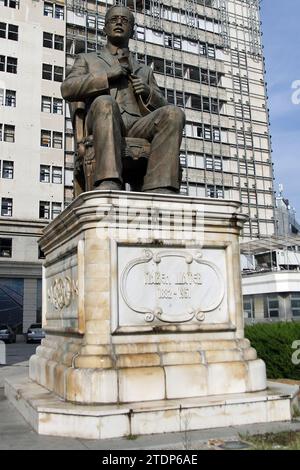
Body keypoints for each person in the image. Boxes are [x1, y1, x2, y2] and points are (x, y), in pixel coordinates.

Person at [61, 5, 185, 193]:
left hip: (138, 126)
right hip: (104, 119)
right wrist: (107, 76)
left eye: (125, 20)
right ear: (104, 28)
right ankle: (108, 181)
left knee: (174, 113)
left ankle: (160, 186)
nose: (119, 22)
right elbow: (67, 88)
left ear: (133, 31)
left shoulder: (144, 70)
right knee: (105, 103)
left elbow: (165, 108)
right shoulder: (87, 59)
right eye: (114, 19)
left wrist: (148, 93)